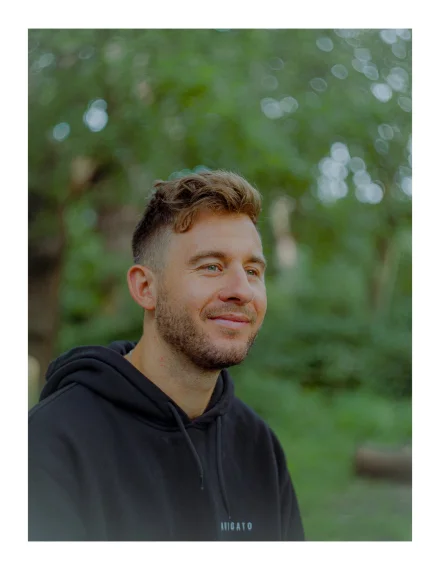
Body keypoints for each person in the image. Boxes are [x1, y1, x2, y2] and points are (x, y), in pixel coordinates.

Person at [28, 170, 305, 541]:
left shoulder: (258, 446)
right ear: (145, 287)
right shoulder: (49, 444)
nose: (242, 290)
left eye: (253, 270)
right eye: (212, 266)